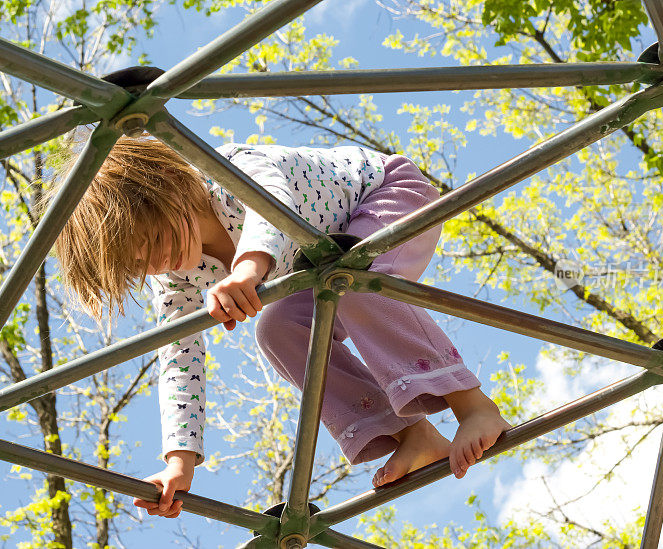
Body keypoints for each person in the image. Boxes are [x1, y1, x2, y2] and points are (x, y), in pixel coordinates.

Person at [48, 134, 511, 519]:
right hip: (324, 267)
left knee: (350, 275)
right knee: (276, 328)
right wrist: (179, 464)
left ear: (167, 184)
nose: (155, 261)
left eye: (152, 239)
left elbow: (271, 207)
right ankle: (413, 434)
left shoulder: (228, 170)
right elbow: (178, 358)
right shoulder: (177, 279)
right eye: (137, 264)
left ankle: (472, 405)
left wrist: (247, 271)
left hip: (387, 198)